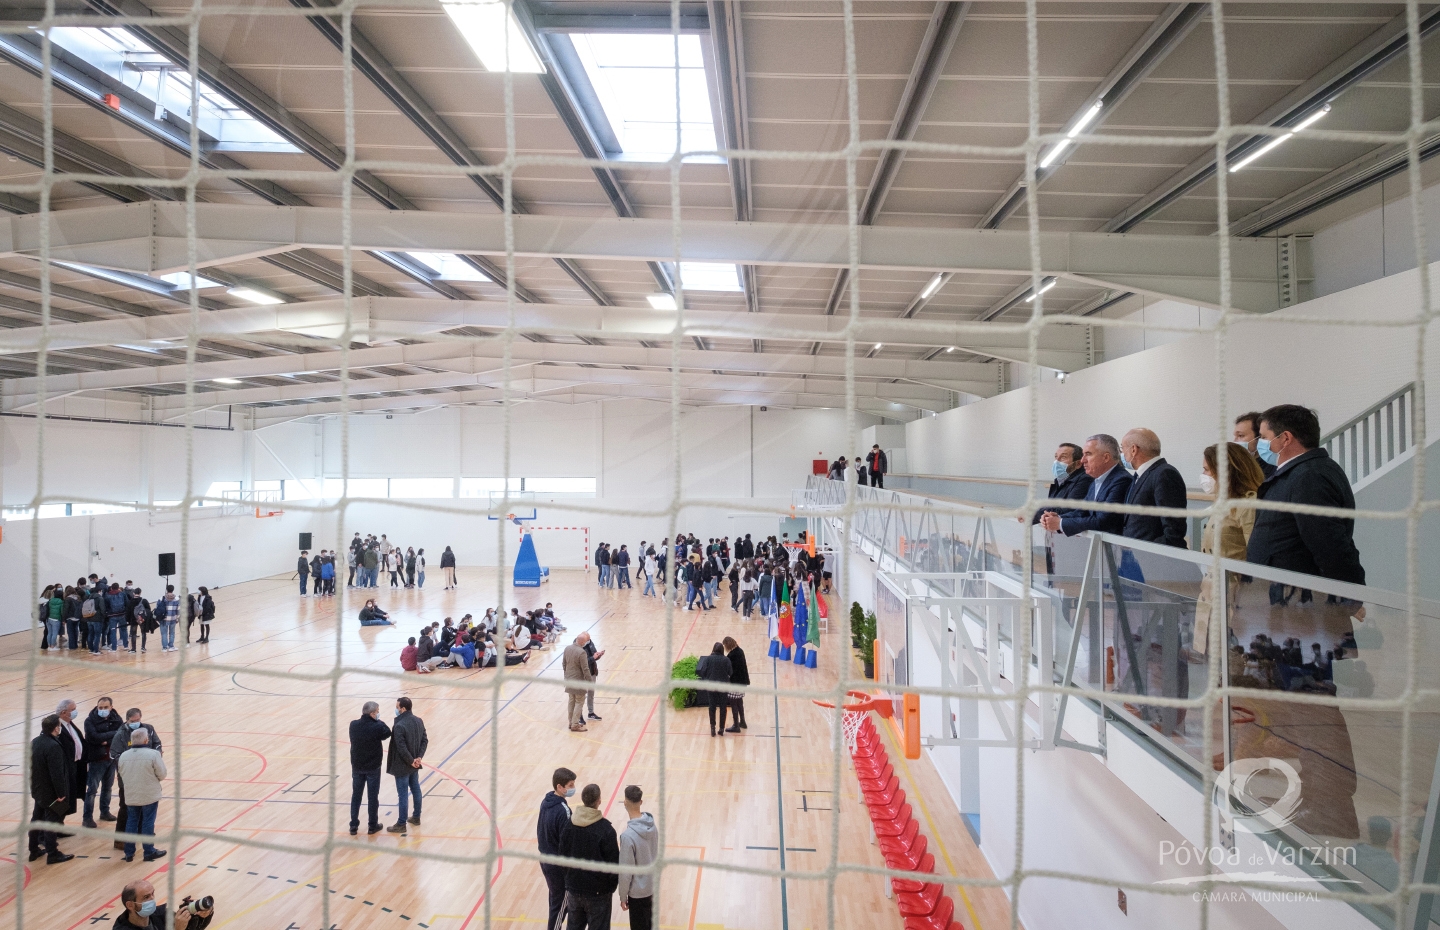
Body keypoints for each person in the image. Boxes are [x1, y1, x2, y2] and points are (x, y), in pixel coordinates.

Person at [1246, 404, 1366, 585]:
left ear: (1285, 438)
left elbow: (1329, 544)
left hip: (1297, 597)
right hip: (1279, 593)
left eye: (1264, 437)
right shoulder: (1298, 472)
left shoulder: (1310, 477)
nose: (1260, 444)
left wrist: (1349, 597)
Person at [1194, 443, 1266, 655]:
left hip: (1235, 595)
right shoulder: (1222, 503)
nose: (1204, 476)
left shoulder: (1247, 505)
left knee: (1233, 663)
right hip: (1211, 590)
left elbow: (1254, 554)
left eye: (1207, 470)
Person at [1039, 433, 1134, 537]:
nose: (1082, 460)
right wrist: (1058, 517)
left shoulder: (1122, 480)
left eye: (1088, 454)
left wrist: (1060, 523)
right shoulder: (1096, 479)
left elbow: (1103, 521)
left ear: (1106, 457)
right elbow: (1082, 511)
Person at [558, 783, 620, 930]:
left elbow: (561, 857)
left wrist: (570, 880)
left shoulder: (568, 826)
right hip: (598, 894)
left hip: (574, 890)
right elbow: (614, 866)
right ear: (599, 800)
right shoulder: (606, 830)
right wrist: (609, 888)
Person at [1118, 428, 1189, 548]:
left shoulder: (1164, 473)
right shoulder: (1140, 475)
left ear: (1133, 449)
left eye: (1122, 448)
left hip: (1153, 558)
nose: (1122, 454)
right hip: (1137, 555)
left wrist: (1148, 554)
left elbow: (1173, 530)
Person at [110, 708, 162, 849]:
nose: (136, 723)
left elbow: (157, 744)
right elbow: (114, 755)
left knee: (145, 807)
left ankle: (142, 833)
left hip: (146, 777)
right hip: (128, 780)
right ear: (127, 720)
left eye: (138, 720)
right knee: (126, 809)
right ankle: (120, 839)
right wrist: (133, 764)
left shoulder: (149, 729)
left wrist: (156, 757)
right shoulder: (120, 735)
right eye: (133, 721)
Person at [116, 727, 166, 861]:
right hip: (149, 794)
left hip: (131, 794)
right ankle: (149, 851)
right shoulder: (153, 754)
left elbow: (121, 773)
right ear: (146, 740)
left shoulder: (123, 756)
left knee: (131, 822)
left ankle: (128, 852)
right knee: (148, 822)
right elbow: (162, 774)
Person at [29, 714, 74, 864]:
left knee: (36, 820)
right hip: (52, 793)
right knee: (52, 823)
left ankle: (33, 849)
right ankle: (53, 853)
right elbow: (57, 773)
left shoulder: (35, 742)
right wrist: (61, 794)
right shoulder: (53, 746)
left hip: (38, 790)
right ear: (56, 728)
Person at [538, 767, 576, 930]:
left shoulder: (546, 801)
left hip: (545, 859)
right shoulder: (563, 811)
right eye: (570, 785)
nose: (573, 788)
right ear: (560, 787)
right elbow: (567, 841)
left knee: (555, 900)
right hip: (558, 865)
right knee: (561, 906)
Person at [617, 785, 657, 930]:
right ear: (641, 802)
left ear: (625, 803)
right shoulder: (652, 826)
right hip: (652, 887)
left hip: (638, 894)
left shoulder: (628, 837)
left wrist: (623, 896)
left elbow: (625, 872)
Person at [348, 701, 391, 836]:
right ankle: (372, 825)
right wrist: (379, 722)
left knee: (356, 796)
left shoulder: (353, 725)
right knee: (372, 797)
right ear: (372, 713)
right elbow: (388, 732)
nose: (378, 714)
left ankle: (353, 825)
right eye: (377, 711)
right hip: (373, 767)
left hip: (357, 766)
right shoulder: (377, 727)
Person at [387, 696, 428, 834]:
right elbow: (424, 740)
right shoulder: (418, 720)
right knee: (416, 788)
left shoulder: (399, 725)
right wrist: (418, 758)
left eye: (397, 707)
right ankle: (416, 817)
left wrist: (411, 760)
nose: (396, 710)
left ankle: (401, 823)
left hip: (403, 765)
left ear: (403, 709)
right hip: (414, 764)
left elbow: (401, 747)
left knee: (403, 794)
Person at [113, 879, 214, 929]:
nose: (152, 899)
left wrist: (204, 914)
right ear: (130, 905)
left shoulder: (161, 914)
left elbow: (195, 927)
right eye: (146, 897)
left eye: (152, 894)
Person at [83, 696, 121, 828]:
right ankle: (87, 818)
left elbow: (120, 735)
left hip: (111, 758)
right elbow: (93, 737)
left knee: (108, 788)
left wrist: (105, 740)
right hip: (96, 759)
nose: (103, 710)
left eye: (105, 707)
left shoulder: (117, 718)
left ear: (111, 707)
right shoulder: (89, 721)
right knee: (92, 790)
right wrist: (110, 735)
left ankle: (104, 812)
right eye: (100, 708)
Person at [55, 699, 87, 825]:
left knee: (69, 798)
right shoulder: (57, 727)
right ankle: (52, 829)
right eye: (73, 710)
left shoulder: (69, 723)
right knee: (62, 798)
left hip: (75, 766)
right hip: (64, 769)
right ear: (63, 712)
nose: (75, 712)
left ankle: (59, 825)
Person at [696, 643, 733, 737]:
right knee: (723, 707)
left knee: (712, 706)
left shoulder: (708, 659)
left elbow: (703, 671)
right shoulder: (726, 659)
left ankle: (713, 727)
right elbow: (730, 672)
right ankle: (721, 728)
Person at [564, 635, 596, 732]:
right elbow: (585, 669)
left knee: (571, 701)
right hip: (579, 681)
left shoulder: (567, 648)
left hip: (569, 679)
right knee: (579, 702)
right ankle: (575, 724)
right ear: (582, 642)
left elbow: (564, 664)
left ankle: (570, 722)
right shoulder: (582, 652)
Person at [1234, 411, 1277, 479]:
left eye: (1240, 435)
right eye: (1235, 436)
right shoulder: (1238, 466)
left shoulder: (1274, 466)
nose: (1235, 441)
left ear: (1260, 437)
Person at [722, 636, 749, 731]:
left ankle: (736, 726)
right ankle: (742, 721)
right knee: (739, 702)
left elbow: (730, 671)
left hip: (735, 683)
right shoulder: (740, 651)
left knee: (733, 703)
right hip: (742, 682)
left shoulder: (731, 656)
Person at [583, 634, 605, 722]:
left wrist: (598, 655)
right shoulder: (578, 647)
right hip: (583, 674)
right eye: (587, 640)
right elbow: (583, 662)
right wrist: (593, 658)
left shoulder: (590, 643)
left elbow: (594, 655)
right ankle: (579, 715)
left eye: (589, 639)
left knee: (591, 693)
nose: (589, 641)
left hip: (592, 672)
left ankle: (591, 713)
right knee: (581, 695)